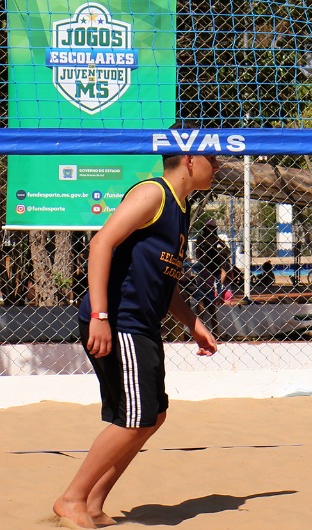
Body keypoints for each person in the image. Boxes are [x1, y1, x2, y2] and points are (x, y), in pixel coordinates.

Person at [53, 152, 219, 529]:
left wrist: (193, 323)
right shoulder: (153, 194)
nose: (220, 164)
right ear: (191, 160)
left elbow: (166, 277)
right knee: (134, 418)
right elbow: (101, 245)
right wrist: (100, 315)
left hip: (141, 325)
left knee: (153, 415)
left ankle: (93, 504)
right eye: (214, 157)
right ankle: (72, 498)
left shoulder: (181, 207)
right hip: (119, 320)